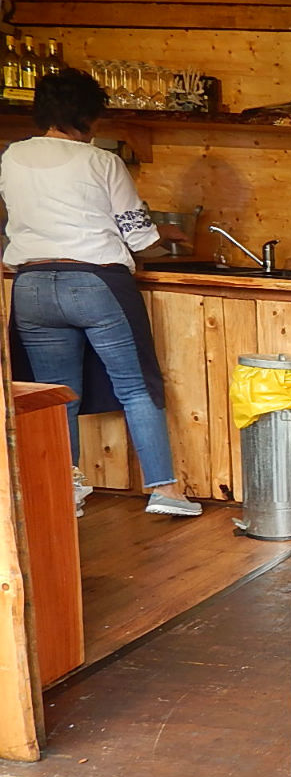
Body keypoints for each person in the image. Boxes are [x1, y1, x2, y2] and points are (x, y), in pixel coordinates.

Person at [2, 68, 201, 517]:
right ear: (89, 115)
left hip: (30, 285)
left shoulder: (11, 157)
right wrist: (166, 237)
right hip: (94, 283)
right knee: (136, 388)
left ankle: (63, 489)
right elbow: (140, 238)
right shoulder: (102, 162)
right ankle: (165, 491)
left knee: (57, 395)